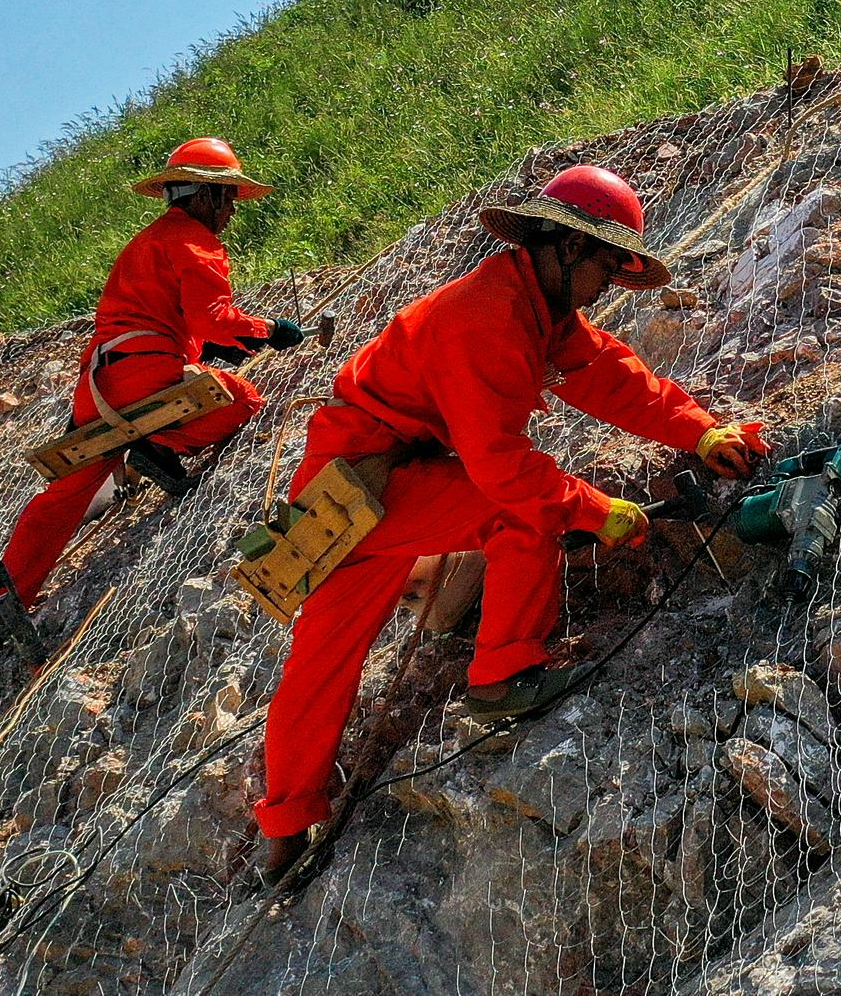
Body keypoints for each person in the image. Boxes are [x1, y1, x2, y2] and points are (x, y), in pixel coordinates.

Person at [252, 164, 769, 879]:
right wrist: (595, 509)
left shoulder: (530, 302)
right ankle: (501, 673)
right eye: (608, 264)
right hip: (384, 480)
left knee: (319, 663)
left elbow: (608, 376)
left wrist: (701, 431)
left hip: (346, 490)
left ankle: (284, 827)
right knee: (518, 514)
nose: (612, 281)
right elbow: (501, 472)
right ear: (567, 247)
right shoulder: (491, 318)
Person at [0, 137, 308, 615]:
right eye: (228, 199)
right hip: (147, 371)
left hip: (98, 382)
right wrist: (268, 329)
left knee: (67, 491)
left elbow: (152, 316)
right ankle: (163, 448)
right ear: (206, 196)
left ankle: (2, 598)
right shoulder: (198, 245)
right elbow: (212, 318)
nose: (232, 212)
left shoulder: (145, 243)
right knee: (241, 398)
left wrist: (209, 346)